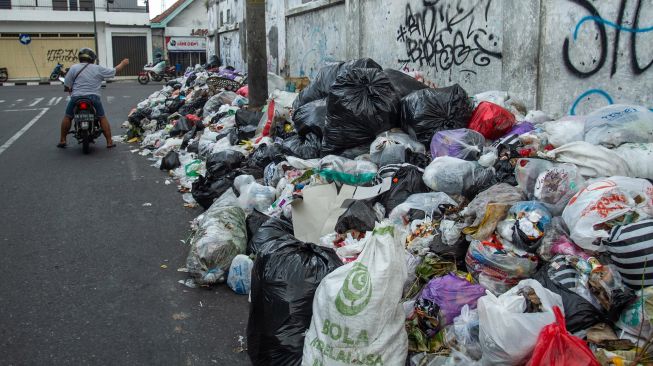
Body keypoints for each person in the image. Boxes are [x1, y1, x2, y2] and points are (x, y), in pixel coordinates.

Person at [57, 48, 129, 148]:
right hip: (93, 98)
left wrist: (69, 90)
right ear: (92, 58)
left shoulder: (74, 68)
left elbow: (67, 84)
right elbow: (114, 71)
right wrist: (123, 63)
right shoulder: (97, 68)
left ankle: (62, 140)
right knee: (101, 117)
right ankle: (109, 142)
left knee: (68, 116)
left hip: (76, 97)